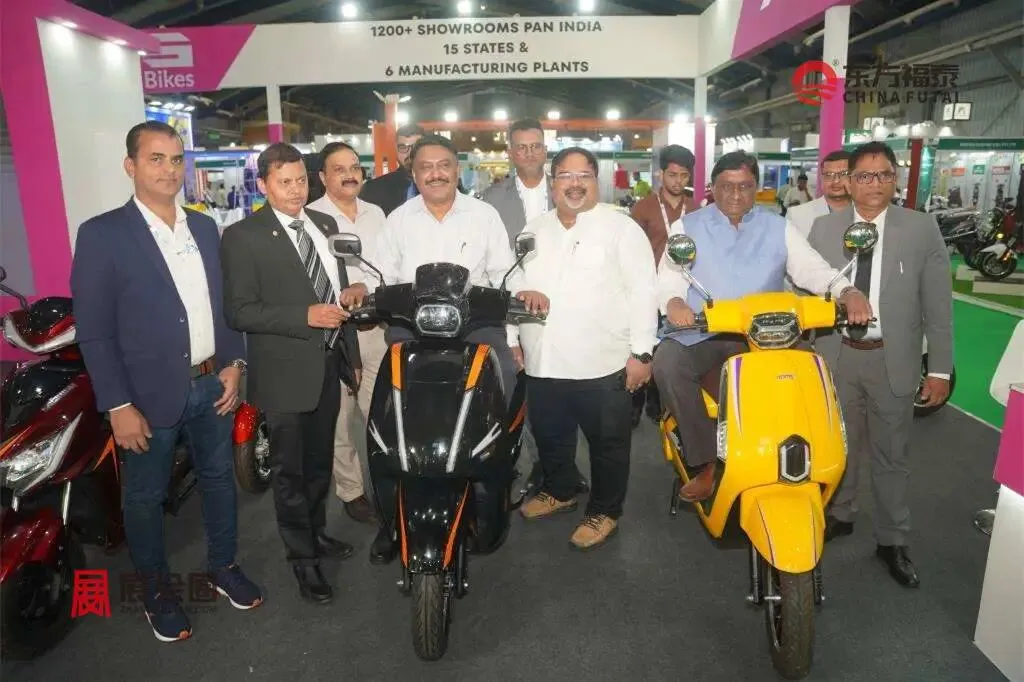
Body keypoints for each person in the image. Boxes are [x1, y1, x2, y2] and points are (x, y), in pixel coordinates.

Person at [70, 121, 262, 643]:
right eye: (156, 159)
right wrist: (117, 404)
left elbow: (223, 305)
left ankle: (223, 566)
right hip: (145, 397)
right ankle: (156, 592)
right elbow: (95, 331)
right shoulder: (103, 234)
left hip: (211, 384)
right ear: (130, 165)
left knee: (218, 480)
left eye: (177, 159)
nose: (169, 170)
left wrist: (234, 363)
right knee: (145, 497)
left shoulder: (203, 227)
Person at [365, 134, 549, 564]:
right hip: (412, 329)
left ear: (457, 169)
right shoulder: (398, 220)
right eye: (426, 167)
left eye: (444, 165)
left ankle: (496, 467)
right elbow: (382, 275)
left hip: (474, 327)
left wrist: (524, 291)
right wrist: (367, 292)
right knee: (386, 407)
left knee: (506, 379)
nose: (436, 173)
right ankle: (389, 518)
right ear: (414, 174)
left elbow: (504, 272)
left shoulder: (483, 215)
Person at [652, 151, 873, 502]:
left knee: (813, 371)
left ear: (756, 187)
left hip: (769, 333)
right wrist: (675, 302)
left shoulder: (778, 226)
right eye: (726, 186)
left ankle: (815, 457)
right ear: (712, 187)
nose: (735, 194)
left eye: (744, 186)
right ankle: (705, 461)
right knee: (666, 363)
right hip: (705, 332)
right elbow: (669, 278)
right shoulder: (687, 227)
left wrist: (847, 291)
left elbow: (811, 268)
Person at [220, 143, 365, 605]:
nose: (296, 190)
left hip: (328, 364)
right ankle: (302, 561)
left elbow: (336, 292)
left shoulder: (324, 224)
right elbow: (240, 312)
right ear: (263, 185)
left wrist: (350, 351)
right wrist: (305, 316)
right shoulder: (243, 236)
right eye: (284, 182)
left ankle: (316, 533)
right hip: (283, 374)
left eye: (301, 180)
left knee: (319, 464)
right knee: (290, 474)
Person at [807, 141, 953, 588]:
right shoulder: (823, 230)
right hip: (837, 357)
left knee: (893, 455)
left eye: (885, 175)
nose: (876, 184)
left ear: (896, 180)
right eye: (865, 176)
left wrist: (939, 369)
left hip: (893, 359)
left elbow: (938, 305)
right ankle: (841, 512)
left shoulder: (920, 228)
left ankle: (892, 539)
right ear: (848, 182)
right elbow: (805, 293)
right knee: (840, 447)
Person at [516, 147, 658, 549]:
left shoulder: (621, 228)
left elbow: (643, 291)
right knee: (551, 436)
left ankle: (605, 511)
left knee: (608, 445)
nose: (574, 184)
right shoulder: (533, 229)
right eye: (565, 175)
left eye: (584, 176)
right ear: (552, 183)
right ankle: (560, 490)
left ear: (597, 181)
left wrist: (642, 353)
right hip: (543, 357)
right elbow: (514, 282)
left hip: (603, 361)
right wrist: (513, 339)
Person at [480, 118, 588, 496]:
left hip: (566, 307)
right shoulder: (491, 199)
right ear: (510, 152)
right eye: (521, 147)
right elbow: (493, 268)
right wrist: (509, 332)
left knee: (565, 391)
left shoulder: (568, 191)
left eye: (536, 146)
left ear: (545, 150)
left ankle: (562, 466)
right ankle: (535, 466)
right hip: (515, 308)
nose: (529, 153)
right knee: (522, 391)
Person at [307, 141, 387, 525]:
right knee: (339, 419)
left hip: (376, 329)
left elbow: (387, 264)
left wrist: (368, 288)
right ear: (323, 177)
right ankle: (352, 491)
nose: (349, 174)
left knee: (381, 414)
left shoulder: (377, 213)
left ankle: (386, 484)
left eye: (354, 167)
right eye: (339, 169)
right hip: (335, 335)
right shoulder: (310, 218)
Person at [630, 144, 697, 425]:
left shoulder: (696, 209)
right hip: (647, 289)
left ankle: (659, 404)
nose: (678, 181)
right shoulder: (643, 207)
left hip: (681, 292)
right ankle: (634, 404)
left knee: (670, 348)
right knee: (643, 346)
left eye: (683, 175)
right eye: (672, 174)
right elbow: (631, 250)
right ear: (661, 174)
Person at [359, 123, 424, 216]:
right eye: (403, 147)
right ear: (395, 149)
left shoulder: (439, 186)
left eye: (416, 147)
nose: (410, 153)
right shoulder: (373, 189)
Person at [786, 150, 852, 238]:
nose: (836, 180)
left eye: (844, 174)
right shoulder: (796, 215)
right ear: (821, 178)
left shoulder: (868, 215)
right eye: (828, 174)